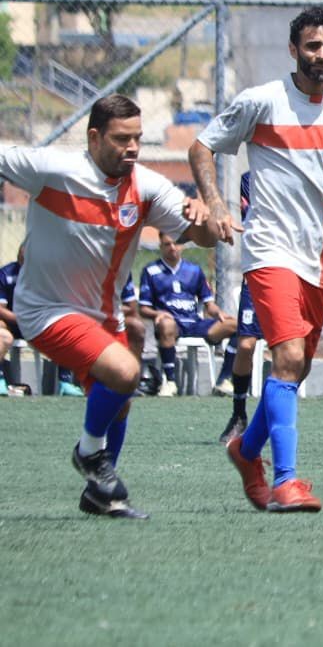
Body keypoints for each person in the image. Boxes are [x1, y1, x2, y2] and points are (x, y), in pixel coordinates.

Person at [190, 5, 323, 514]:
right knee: (288, 360)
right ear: (293, 49)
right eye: (311, 46)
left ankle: (246, 452)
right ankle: (286, 481)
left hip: (321, 260)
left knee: (294, 371)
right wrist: (217, 202)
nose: (321, 55)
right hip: (269, 250)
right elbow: (202, 147)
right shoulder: (263, 101)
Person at [0, 94, 217, 518]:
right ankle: (88, 454)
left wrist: (202, 216)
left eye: (137, 138)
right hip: (44, 309)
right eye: (122, 139)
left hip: (104, 314)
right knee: (125, 371)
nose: (133, 147)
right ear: (94, 137)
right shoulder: (52, 169)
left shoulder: (147, 187)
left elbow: (205, 237)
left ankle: (102, 495)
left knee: (122, 397)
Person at [137, 231, 237, 397]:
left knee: (235, 325)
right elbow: (143, 308)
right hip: (172, 324)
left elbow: (208, 304)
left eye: (175, 244)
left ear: (182, 245)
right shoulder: (151, 271)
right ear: (160, 246)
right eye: (167, 244)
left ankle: (224, 380)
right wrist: (157, 314)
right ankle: (170, 382)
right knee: (166, 325)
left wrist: (218, 312)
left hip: (194, 322)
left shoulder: (194, 270)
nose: (172, 248)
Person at [218, 172, 265, 445]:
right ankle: (239, 414)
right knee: (246, 345)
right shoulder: (250, 179)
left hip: (290, 271)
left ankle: (273, 420)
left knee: (290, 353)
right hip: (256, 273)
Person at [0, 242, 84, 396]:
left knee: (66, 326)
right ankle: (0, 380)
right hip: (13, 324)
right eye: (22, 259)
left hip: (39, 325)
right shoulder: (5, 274)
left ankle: (64, 382)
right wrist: (20, 319)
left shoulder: (48, 278)